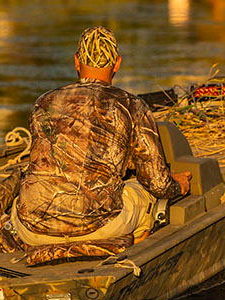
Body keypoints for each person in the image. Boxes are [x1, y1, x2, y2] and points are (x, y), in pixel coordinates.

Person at [12, 27, 191, 246]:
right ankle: (129, 253)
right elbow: (158, 183)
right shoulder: (132, 105)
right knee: (146, 193)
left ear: (77, 62)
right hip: (97, 228)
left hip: (31, 229)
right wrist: (176, 185)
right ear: (117, 64)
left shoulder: (43, 103)